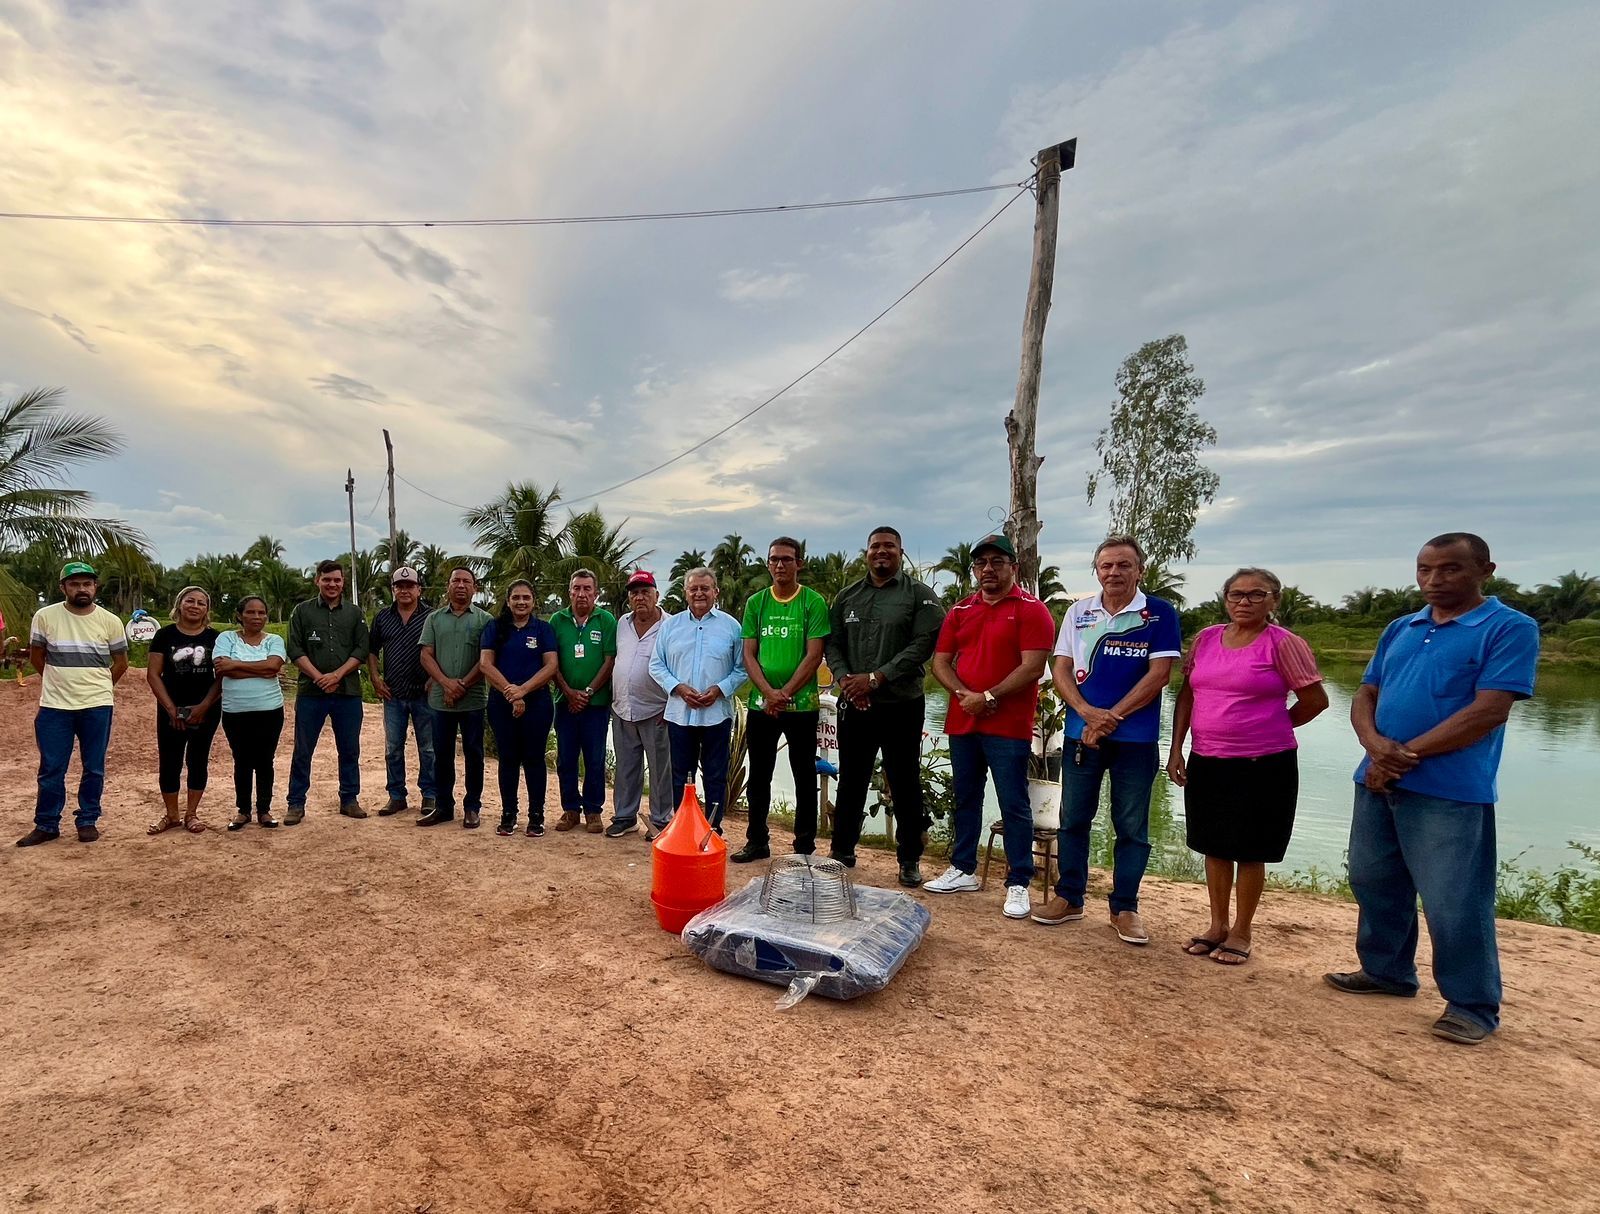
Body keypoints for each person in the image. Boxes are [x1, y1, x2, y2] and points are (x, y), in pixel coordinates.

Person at [1325, 533, 1539, 1046]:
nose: (1434, 580)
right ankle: (1387, 972)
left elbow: (1488, 710)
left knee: (1454, 899)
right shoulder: (1403, 626)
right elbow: (1367, 691)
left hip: (1450, 789)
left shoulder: (1510, 628)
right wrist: (1374, 745)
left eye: (1449, 569)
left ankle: (1472, 1004)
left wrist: (1402, 757)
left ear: (1485, 570)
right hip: (1375, 776)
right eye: (1425, 569)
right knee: (1374, 879)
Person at [1166, 568, 1329, 964]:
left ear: (1274, 600)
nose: (1244, 601)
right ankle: (1217, 925)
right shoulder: (1206, 639)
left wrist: (1271, 724)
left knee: (1251, 848)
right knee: (1213, 844)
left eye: (1257, 595)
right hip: (1208, 758)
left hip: (1264, 763)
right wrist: (1176, 748)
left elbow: (1315, 700)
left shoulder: (1283, 644)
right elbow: (1187, 696)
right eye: (1236, 594)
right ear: (1225, 598)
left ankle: (1242, 931)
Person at [1037, 536, 1182, 944]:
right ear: (1096, 571)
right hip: (1081, 734)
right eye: (1106, 566)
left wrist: (1111, 717)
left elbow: (1159, 676)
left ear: (1140, 570)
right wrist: (1086, 713)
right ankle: (1070, 898)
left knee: (1131, 825)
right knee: (1073, 819)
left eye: (1123, 565)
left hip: (1134, 738)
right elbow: (1061, 667)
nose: (1114, 572)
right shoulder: (1078, 613)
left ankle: (1125, 908)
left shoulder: (1159, 614)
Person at [926, 535, 1056, 919]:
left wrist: (990, 696)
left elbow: (1032, 666)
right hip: (963, 718)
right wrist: (966, 694)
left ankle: (1019, 881)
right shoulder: (960, 609)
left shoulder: (1033, 610)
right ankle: (963, 868)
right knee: (966, 795)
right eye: (981, 563)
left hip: (1008, 724)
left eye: (997, 562)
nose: (988, 569)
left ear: (1013, 567)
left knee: (1013, 802)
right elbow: (941, 662)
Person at [826, 525, 945, 887]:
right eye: (875, 546)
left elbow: (923, 644)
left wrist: (877, 678)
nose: (882, 552)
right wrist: (847, 680)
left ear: (900, 552)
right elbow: (833, 644)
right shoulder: (847, 597)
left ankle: (909, 859)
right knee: (852, 779)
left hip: (901, 704)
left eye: (889, 546)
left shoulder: (919, 596)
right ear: (866, 552)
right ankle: (842, 850)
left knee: (905, 781)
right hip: (856, 704)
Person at [734, 537, 831, 863]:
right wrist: (767, 693)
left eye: (787, 559)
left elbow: (814, 654)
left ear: (799, 563)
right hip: (762, 706)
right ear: (768, 563)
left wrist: (784, 692)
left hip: (801, 705)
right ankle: (757, 841)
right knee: (759, 775)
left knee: (804, 776)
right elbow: (749, 654)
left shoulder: (813, 602)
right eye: (774, 559)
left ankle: (804, 846)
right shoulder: (756, 603)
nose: (780, 565)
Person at [18, 561, 128, 847]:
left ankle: (88, 819)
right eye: (75, 583)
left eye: (87, 583)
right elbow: (36, 657)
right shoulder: (45, 616)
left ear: (95, 587)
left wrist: (101, 687)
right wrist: (57, 682)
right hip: (55, 707)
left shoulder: (110, 621)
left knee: (94, 766)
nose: (82, 589)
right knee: (52, 767)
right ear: (63, 587)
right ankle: (47, 824)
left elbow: (121, 662)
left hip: (97, 706)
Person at [650, 568, 747, 832]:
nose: (699, 593)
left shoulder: (731, 627)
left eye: (705, 588)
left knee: (716, 774)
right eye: (693, 588)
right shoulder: (671, 626)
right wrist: (678, 687)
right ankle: (682, 828)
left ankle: (713, 828)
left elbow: (742, 668)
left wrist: (719, 689)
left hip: (717, 713)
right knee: (681, 775)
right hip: (680, 714)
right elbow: (656, 665)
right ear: (685, 592)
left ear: (716, 591)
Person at [285, 559, 369, 823]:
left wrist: (337, 675)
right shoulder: (302, 611)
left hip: (347, 692)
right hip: (311, 692)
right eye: (327, 579)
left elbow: (361, 649)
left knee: (349, 749)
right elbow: (295, 649)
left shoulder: (354, 613)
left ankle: (349, 799)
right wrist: (320, 677)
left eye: (337, 580)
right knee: (303, 749)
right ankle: (296, 804)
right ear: (317, 580)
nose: (332, 584)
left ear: (343, 582)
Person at [480, 578, 559, 837]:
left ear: (534, 601)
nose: (521, 602)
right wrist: (511, 694)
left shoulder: (543, 630)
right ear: (508, 600)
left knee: (534, 759)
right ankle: (508, 814)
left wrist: (523, 691)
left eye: (526, 597)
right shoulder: (495, 627)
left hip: (537, 704)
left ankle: (536, 815)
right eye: (516, 597)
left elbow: (551, 666)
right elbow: (485, 664)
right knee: (508, 758)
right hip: (501, 703)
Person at [417, 567, 493, 829]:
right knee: (441, 754)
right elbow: (426, 655)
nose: (461, 585)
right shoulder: (434, 619)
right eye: (456, 580)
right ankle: (443, 807)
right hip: (440, 700)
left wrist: (461, 685)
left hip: (472, 700)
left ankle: (472, 807)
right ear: (447, 586)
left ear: (475, 587)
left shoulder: (485, 620)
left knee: (474, 754)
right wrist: (446, 684)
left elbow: (487, 659)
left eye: (466, 581)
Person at [145, 585, 222, 835]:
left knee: (198, 759)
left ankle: (192, 814)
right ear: (179, 604)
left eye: (201, 603)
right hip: (171, 707)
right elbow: (154, 674)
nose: (195, 606)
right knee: (170, 761)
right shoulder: (164, 636)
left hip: (206, 708)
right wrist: (171, 710)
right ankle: (172, 815)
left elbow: (221, 677)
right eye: (190, 601)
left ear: (207, 609)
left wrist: (203, 707)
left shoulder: (215, 638)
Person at [549, 569, 617, 833]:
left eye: (587, 589)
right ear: (569, 592)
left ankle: (593, 810)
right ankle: (569, 810)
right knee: (566, 758)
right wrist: (568, 691)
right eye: (576, 588)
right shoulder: (557, 620)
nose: (581, 593)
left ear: (596, 593)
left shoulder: (606, 620)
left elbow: (609, 660)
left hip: (596, 704)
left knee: (594, 758)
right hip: (564, 702)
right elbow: (550, 661)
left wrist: (588, 692)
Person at [608, 570, 674, 840]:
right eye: (635, 593)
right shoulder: (622, 623)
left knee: (660, 770)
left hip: (656, 710)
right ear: (629, 598)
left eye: (646, 591)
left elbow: (677, 665)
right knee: (625, 767)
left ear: (657, 595)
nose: (640, 597)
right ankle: (625, 817)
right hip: (623, 708)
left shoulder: (670, 625)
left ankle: (660, 820)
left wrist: (670, 705)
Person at [214, 595, 288, 830]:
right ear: (239, 615)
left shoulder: (274, 640)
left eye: (261, 613)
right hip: (235, 711)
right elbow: (222, 669)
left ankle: (264, 810)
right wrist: (261, 670)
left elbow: (274, 666)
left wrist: (235, 665)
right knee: (242, 760)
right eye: (250, 612)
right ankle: (243, 811)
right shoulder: (226, 638)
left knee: (266, 760)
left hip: (270, 710)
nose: (256, 617)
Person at [367, 566, 436, 817]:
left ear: (419, 588)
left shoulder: (432, 616)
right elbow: (372, 650)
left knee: (428, 749)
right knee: (393, 748)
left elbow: (439, 649)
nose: (404, 590)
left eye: (410, 586)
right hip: (393, 693)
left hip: (424, 694)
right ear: (393, 589)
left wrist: (434, 678)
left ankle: (430, 795)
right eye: (399, 586)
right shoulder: (383, 617)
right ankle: (396, 796)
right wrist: (375, 678)